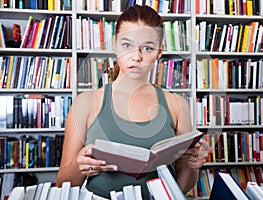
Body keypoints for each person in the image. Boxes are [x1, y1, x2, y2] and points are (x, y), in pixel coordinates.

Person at [56, 5, 208, 199]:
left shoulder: (177, 105)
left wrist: (191, 165)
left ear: (159, 52)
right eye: (127, 45)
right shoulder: (84, 103)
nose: (136, 57)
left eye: (147, 48)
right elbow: (62, 184)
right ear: (115, 46)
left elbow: (181, 187)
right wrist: (80, 166)